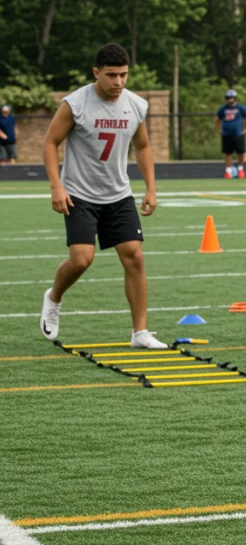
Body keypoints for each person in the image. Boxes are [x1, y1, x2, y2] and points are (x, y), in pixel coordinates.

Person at [38, 43, 168, 349]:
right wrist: (56, 186)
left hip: (118, 195)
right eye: (111, 75)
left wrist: (151, 188)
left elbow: (144, 146)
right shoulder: (75, 103)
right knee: (82, 260)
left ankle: (140, 333)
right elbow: (49, 142)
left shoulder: (136, 104)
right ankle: (54, 297)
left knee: (134, 256)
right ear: (96, 73)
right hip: (79, 194)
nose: (119, 82)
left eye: (123, 75)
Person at [216, 89, 246, 178]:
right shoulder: (223, 108)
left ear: (235, 98)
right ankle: (228, 171)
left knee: (240, 152)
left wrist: (245, 128)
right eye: (228, 98)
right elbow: (216, 118)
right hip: (227, 134)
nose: (230, 100)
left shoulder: (240, 107)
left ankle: (240, 170)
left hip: (238, 134)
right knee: (228, 153)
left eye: (232, 98)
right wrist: (219, 129)